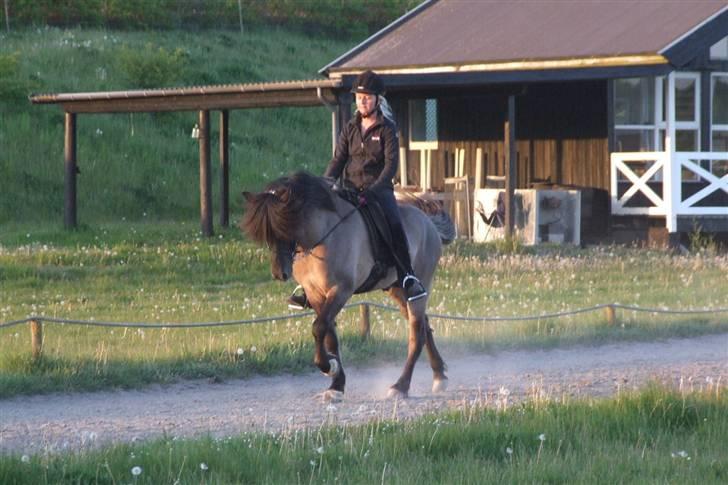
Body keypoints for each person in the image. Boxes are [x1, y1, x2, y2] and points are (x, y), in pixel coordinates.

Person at [288, 70, 427, 309]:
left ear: (377, 100)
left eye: (367, 97)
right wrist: (325, 185)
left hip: (378, 190)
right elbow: (338, 160)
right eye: (359, 97)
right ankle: (308, 283)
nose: (362, 101)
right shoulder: (350, 127)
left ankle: (407, 276)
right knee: (323, 220)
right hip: (349, 189)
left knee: (394, 224)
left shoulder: (386, 129)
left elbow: (390, 165)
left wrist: (374, 190)